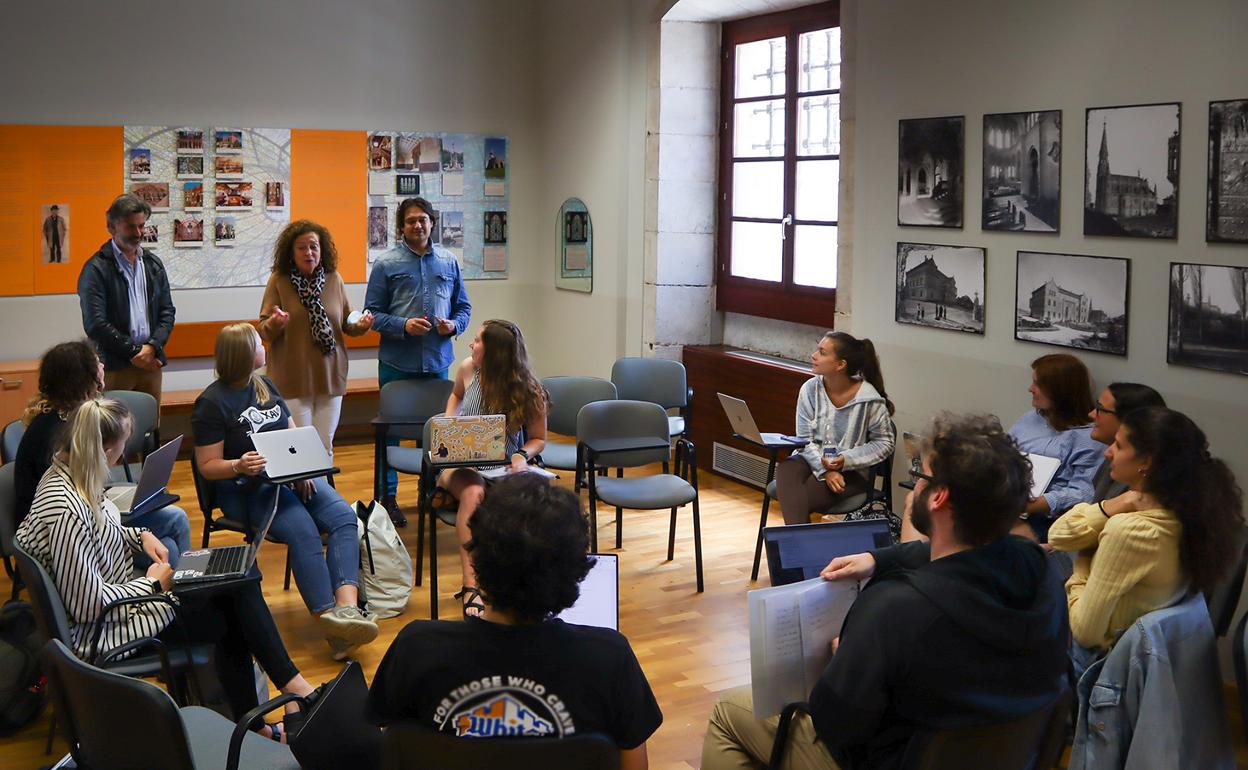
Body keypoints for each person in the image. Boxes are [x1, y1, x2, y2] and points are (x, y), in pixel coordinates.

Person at [701, 413, 1069, 770]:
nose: (913, 486)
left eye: (918, 475)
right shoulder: (1040, 571)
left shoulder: (894, 609)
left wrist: (840, 661)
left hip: (886, 757)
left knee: (730, 712)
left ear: (938, 497)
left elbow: (837, 726)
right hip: (1003, 755)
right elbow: (960, 555)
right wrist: (879, 558)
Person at [14, 398, 318, 730]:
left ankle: (278, 705)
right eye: (120, 451)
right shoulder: (66, 511)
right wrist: (153, 582)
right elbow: (88, 606)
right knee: (235, 601)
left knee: (238, 582)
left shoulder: (71, 474)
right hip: (109, 629)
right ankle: (292, 695)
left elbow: (101, 529)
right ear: (102, 452)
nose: (121, 457)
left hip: (122, 607)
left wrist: (140, 535)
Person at [367, 474, 662, 768]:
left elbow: (389, 747)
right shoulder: (610, 658)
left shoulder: (416, 647)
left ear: (476, 556)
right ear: (575, 570)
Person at [192, 323, 378, 659]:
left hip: (289, 480)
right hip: (246, 491)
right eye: (259, 343)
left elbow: (293, 435)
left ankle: (348, 611)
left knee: (343, 518)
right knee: (304, 532)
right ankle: (331, 626)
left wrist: (302, 467)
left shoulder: (265, 384)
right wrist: (237, 465)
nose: (265, 346)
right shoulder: (212, 403)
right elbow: (207, 465)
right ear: (245, 355)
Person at [1049, 407, 1243, 663]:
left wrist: (1084, 560)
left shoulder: (1132, 531)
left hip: (1094, 664)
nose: (1108, 453)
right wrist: (1115, 504)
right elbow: (1058, 536)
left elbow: (1086, 634)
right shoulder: (1191, 510)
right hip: (1136, 654)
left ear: (1146, 462)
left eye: (1118, 446)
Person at [14, 340, 190, 564]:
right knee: (170, 544)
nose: (103, 366)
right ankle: (183, 590)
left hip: (88, 511)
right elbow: (74, 501)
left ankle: (185, 588)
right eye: (97, 362)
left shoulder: (70, 418)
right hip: (63, 533)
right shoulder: (57, 433)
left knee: (174, 525)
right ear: (84, 379)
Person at [364, 196, 472, 526]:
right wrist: (403, 326)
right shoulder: (386, 264)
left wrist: (454, 325)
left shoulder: (449, 262)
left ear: (432, 223)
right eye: (411, 220)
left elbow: (464, 309)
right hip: (398, 362)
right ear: (401, 227)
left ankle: (432, 491)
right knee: (391, 433)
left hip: (438, 361)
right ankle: (388, 498)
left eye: (423, 219)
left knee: (437, 432)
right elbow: (373, 315)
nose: (418, 225)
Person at [439, 320, 547, 617]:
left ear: (495, 352)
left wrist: (522, 455)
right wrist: (451, 422)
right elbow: (456, 395)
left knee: (524, 501)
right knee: (473, 492)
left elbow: (539, 438)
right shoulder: (467, 369)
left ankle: (516, 582)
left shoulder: (528, 388)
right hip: (461, 463)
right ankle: (471, 585)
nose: (470, 345)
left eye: (476, 341)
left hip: (502, 465)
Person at [259, 220, 373, 456]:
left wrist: (360, 324)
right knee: (300, 450)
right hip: (292, 378)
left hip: (329, 376)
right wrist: (276, 322)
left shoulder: (334, 279)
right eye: (301, 247)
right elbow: (264, 330)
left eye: (313, 246)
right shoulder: (279, 280)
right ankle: (304, 493)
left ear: (322, 250)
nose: (309, 252)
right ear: (291, 252)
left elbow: (346, 321)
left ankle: (322, 493)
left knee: (324, 447)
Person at [774, 331, 895, 526]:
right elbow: (804, 438)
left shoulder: (869, 400)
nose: (814, 355)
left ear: (840, 365)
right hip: (813, 460)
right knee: (786, 469)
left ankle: (798, 553)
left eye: (822, 352)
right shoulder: (809, 389)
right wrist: (826, 470)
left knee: (798, 498)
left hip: (850, 472)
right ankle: (802, 553)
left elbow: (885, 442)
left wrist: (845, 460)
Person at [77, 193, 177, 404]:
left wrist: (151, 347)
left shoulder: (153, 264)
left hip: (150, 363)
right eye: (131, 227)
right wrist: (134, 352)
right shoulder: (95, 269)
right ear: (112, 227)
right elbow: (95, 324)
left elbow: (167, 311)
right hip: (114, 366)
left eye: (142, 226)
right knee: (112, 431)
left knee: (149, 430)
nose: (139, 233)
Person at [1008, 353, 1104, 541]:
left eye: (1037, 385)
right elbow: (1002, 452)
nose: (1030, 389)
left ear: (1059, 391)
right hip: (1007, 498)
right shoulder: (1031, 419)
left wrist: (1028, 504)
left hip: (1044, 517)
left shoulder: (1090, 438)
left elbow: (1083, 494)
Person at [1086, 382, 1166, 501]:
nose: (1091, 414)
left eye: (1100, 409)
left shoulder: (1146, 489)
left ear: (1128, 419)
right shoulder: (1113, 457)